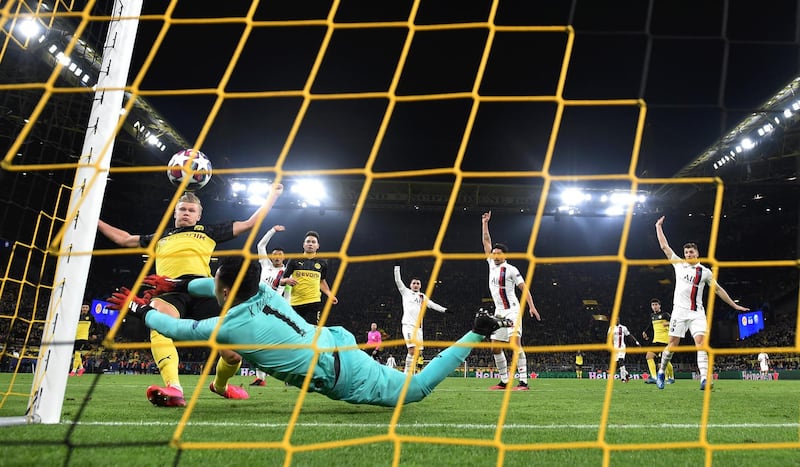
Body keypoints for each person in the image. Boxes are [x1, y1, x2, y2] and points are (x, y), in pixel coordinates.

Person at [113, 256, 516, 407]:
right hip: (336, 341)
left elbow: (175, 328)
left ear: (225, 290)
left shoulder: (229, 325)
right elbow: (204, 286)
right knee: (410, 384)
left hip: (338, 373)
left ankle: (476, 332)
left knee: (415, 392)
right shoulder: (265, 290)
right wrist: (178, 286)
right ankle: (476, 331)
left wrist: (136, 307)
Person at [99, 184, 284, 406]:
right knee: (159, 325)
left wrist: (273, 195)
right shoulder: (160, 237)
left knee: (233, 354)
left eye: (191, 210)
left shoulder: (208, 232)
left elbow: (249, 224)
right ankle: (174, 388)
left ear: (199, 215)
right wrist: (95, 221)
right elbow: (124, 239)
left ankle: (221, 386)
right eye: (182, 209)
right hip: (168, 290)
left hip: (203, 290)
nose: (186, 213)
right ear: (175, 213)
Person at [654, 216, 750, 390]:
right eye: (686, 253)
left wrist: (734, 306)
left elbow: (718, 290)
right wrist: (658, 226)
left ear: (697, 254)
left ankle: (704, 379)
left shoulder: (705, 272)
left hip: (697, 313)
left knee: (701, 344)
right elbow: (664, 247)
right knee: (672, 345)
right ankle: (661, 371)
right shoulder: (679, 264)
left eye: (691, 252)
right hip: (679, 312)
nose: (689, 255)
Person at [481, 211, 541, 391]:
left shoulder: (511, 270)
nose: (495, 255)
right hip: (498, 312)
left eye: (499, 253)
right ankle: (504, 381)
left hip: (512, 310)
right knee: (495, 348)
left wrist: (532, 307)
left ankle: (523, 382)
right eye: (494, 253)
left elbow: (524, 288)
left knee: (515, 345)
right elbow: (486, 241)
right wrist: (485, 223)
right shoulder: (491, 264)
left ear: (505, 256)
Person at [393, 265, 449, 374]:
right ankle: (406, 375)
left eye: (417, 283)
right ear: (410, 285)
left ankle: (412, 374)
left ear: (420, 286)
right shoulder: (406, 292)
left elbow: (433, 305)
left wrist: (445, 310)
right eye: (414, 283)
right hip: (408, 326)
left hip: (418, 329)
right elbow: (397, 280)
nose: (415, 285)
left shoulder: (422, 297)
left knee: (418, 353)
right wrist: (397, 267)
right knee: (412, 350)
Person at [251, 224, 287, 387]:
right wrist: (272, 231)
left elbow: (288, 294)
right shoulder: (266, 265)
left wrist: (289, 311)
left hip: (276, 311)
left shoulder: (287, 272)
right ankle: (260, 378)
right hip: (258, 308)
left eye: (280, 254)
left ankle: (289, 375)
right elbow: (260, 245)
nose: (277, 256)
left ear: (284, 257)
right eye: (275, 254)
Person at [280, 230, 338, 324]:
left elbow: (321, 281)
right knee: (295, 331)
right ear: (304, 244)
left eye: (313, 242)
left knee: (312, 331)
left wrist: (329, 294)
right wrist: (286, 280)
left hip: (313, 302)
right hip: (295, 302)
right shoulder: (294, 260)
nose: (310, 244)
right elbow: (281, 281)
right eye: (308, 242)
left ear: (317, 246)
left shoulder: (323, 262)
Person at [642, 298, 674, 384]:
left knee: (656, 358)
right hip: (656, 340)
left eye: (656, 304)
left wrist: (668, 323)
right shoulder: (652, 316)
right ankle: (659, 377)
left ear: (659, 305)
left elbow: (675, 322)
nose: (654, 306)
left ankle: (664, 377)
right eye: (653, 305)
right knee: (657, 358)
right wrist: (645, 332)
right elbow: (650, 325)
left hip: (665, 340)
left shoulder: (665, 315)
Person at [70, 302, 99, 376]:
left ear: (88, 309)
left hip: (83, 337)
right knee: (77, 354)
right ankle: (81, 368)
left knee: (77, 353)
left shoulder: (90, 317)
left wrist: (94, 334)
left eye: (86, 307)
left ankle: (73, 371)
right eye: (83, 307)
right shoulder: (77, 316)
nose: (85, 309)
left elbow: (95, 326)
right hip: (75, 337)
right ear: (81, 308)